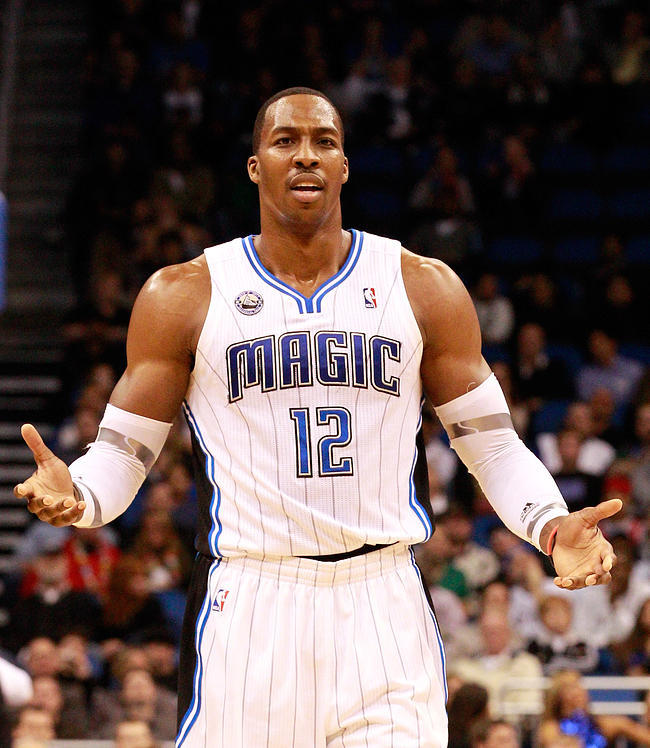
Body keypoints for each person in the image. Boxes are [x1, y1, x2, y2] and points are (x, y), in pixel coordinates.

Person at [15, 87, 621, 747]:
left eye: (324, 142)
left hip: (383, 601)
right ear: (255, 167)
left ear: (344, 166)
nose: (306, 155)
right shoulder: (185, 294)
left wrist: (550, 523)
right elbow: (125, 453)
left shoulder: (422, 286)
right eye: (286, 141)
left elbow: (494, 448)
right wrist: (81, 496)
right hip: (252, 601)